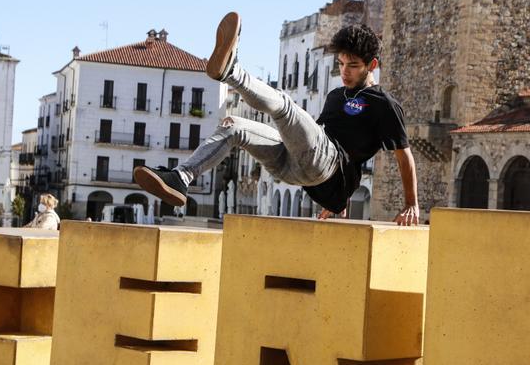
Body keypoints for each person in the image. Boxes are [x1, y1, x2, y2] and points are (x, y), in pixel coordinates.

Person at [133, 12, 419, 226]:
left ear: (372, 65)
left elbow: (404, 156)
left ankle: (231, 72)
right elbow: (309, 137)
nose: (345, 72)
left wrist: (411, 204)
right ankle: (181, 177)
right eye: (341, 64)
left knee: (284, 105)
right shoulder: (335, 96)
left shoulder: (383, 104)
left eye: (353, 66)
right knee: (234, 127)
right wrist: (336, 201)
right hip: (297, 170)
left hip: (329, 166)